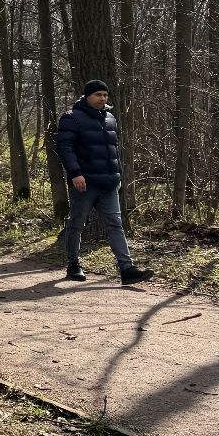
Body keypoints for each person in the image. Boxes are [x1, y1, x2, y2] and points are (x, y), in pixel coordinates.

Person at [56, 80, 154, 285]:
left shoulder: (110, 119)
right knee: (76, 224)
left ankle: (127, 270)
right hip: (84, 183)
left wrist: (117, 177)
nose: (102, 98)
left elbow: (114, 152)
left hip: (109, 184)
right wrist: (75, 173)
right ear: (86, 96)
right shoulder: (71, 118)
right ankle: (73, 264)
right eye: (98, 95)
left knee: (115, 225)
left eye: (105, 95)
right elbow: (65, 148)